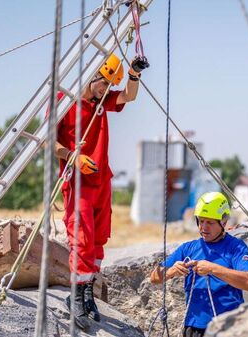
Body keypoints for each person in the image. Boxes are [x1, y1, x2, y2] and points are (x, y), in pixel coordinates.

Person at [55, 53, 149, 329]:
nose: (106, 90)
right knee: (81, 236)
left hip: (101, 179)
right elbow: (48, 141)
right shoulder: (64, 102)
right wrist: (72, 156)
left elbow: (128, 97)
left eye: (110, 86)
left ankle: (87, 294)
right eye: (104, 84)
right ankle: (75, 296)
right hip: (78, 181)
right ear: (93, 74)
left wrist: (133, 74)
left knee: (98, 239)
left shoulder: (101, 101)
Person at [150, 192, 248, 337]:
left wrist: (212, 268)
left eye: (210, 222)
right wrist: (172, 271)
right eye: (201, 221)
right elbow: (154, 278)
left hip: (229, 326)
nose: (203, 227)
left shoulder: (236, 248)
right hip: (194, 327)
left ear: (223, 222)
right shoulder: (188, 248)